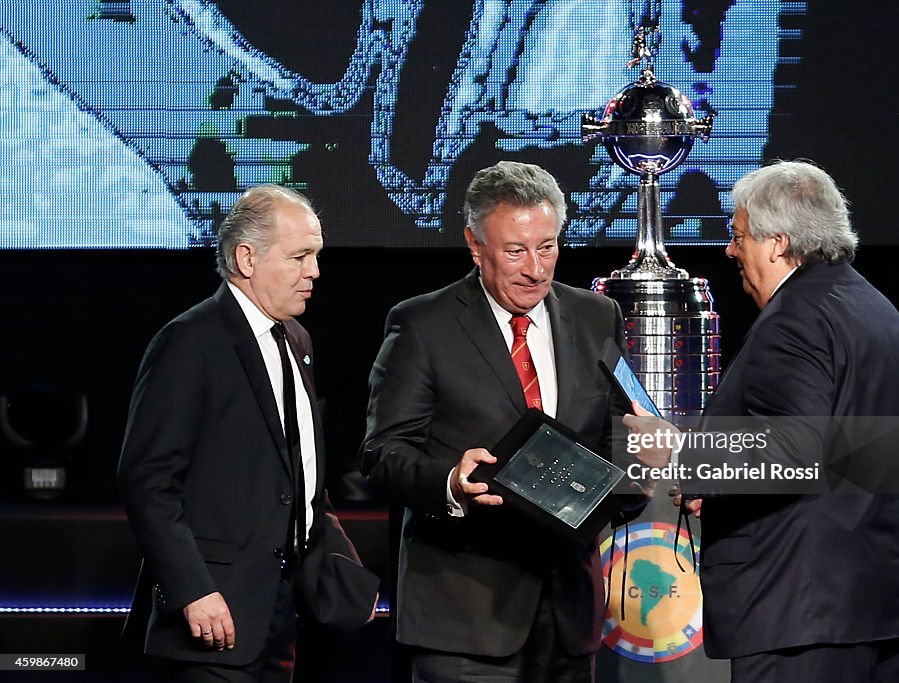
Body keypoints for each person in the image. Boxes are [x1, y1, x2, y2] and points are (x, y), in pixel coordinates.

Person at [361, 161, 642, 682]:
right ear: (475, 244)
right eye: (515, 251)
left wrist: (637, 460)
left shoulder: (596, 316)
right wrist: (449, 481)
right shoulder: (423, 324)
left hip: (567, 611)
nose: (535, 268)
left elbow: (611, 431)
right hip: (463, 615)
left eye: (548, 247)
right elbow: (383, 453)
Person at [657, 160, 899, 682]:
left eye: (738, 237)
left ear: (778, 243)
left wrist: (680, 457)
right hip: (880, 601)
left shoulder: (795, 319)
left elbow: (795, 452)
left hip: (801, 613)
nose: (730, 251)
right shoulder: (873, 306)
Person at [117, 184, 377, 682]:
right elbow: (147, 480)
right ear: (247, 258)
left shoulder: (296, 340)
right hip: (212, 620)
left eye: (317, 256)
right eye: (300, 256)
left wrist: (342, 575)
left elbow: (298, 480)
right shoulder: (191, 340)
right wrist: (193, 590)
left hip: (278, 618)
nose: (315, 272)